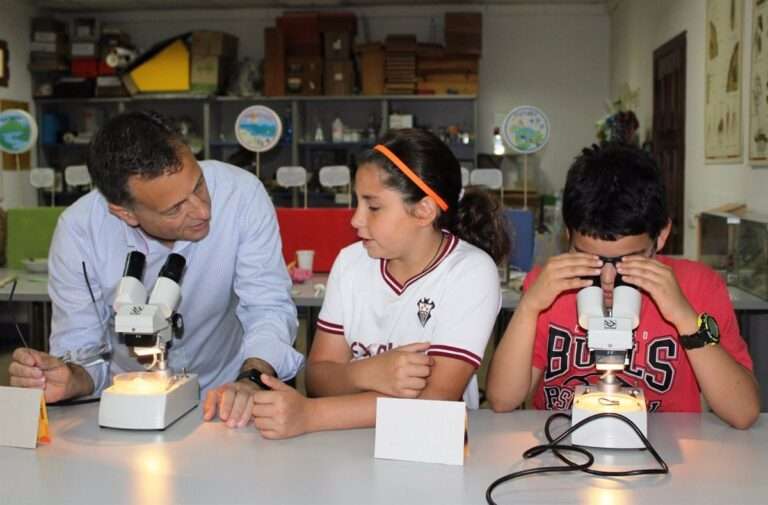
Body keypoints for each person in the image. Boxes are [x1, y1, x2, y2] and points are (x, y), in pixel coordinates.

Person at [8, 111, 303, 428]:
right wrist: (69, 379)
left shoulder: (240, 195)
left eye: (199, 185)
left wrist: (252, 378)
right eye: (175, 208)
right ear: (125, 213)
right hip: (129, 406)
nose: (202, 210)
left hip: (227, 396)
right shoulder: (80, 232)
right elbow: (82, 349)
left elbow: (267, 306)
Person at [246, 128, 509, 439]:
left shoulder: (471, 272)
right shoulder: (351, 262)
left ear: (424, 210)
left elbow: (433, 400)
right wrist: (369, 371)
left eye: (373, 207)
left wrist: (311, 415)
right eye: (357, 203)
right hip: (348, 441)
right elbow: (318, 378)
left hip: (427, 446)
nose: (355, 220)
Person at [486, 142, 760, 429]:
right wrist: (530, 306)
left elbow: (742, 413)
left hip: (667, 452)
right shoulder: (549, 286)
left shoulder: (699, 286)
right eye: (588, 257)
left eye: (627, 261)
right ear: (568, 235)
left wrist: (685, 318)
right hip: (563, 444)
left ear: (662, 235)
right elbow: (503, 400)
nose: (607, 277)